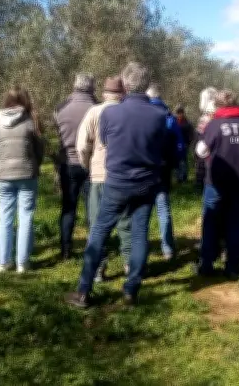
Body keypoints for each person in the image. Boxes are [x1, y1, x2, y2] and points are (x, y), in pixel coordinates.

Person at [65, 62, 168, 309]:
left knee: (99, 230)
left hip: (117, 182)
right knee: (139, 232)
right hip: (146, 183)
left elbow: (106, 141)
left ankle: (83, 291)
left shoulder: (110, 113)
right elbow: (160, 148)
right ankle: (131, 290)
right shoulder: (160, 115)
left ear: (125, 83)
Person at [195, 90, 239, 280]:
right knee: (234, 222)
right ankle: (232, 266)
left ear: (219, 105)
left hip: (217, 181)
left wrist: (209, 158)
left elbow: (201, 149)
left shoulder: (215, 125)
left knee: (211, 220)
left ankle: (206, 264)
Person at [76, 76, 132, 282]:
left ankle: (98, 268)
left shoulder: (94, 112)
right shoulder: (128, 113)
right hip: (124, 175)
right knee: (126, 222)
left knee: (98, 224)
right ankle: (130, 264)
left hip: (99, 175)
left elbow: (82, 145)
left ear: (104, 93)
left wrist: (87, 164)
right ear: (123, 93)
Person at [0, 87, 45, 274]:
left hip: (3, 175)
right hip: (27, 175)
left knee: (4, 217)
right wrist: (36, 164)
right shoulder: (31, 122)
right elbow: (39, 150)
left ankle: (3, 263)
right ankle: (22, 263)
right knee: (26, 216)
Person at [54, 73, 97, 259]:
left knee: (68, 207)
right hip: (90, 163)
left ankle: (65, 248)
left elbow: (58, 135)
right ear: (91, 87)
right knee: (91, 207)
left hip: (68, 163)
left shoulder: (60, 108)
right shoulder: (96, 108)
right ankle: (93, 246)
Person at [146, 83, 184, 260]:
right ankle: (167, 248)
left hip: (144, 169)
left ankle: (141, 247)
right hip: (163, 169)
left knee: (142, 211)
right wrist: (177, 165)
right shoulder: (169, 117)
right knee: (163, 209)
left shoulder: (142, 114)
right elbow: (179, 145)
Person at [194, 87, 218, 193]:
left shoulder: (206, 116)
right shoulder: (215, 113)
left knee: (202, 162)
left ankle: (201, 184)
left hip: (205, 142)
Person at [174, 105, 194, 183]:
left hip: (184, 145)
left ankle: (184, 177)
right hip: (175, 145)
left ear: (183, 113)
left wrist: (189, 142)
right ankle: (178, 177)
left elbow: (191, 134)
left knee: (183, 161)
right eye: (178, 113)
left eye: (181, 112)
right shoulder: (174, 121)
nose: (179, 114)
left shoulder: (187, 123)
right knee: (177, 161)